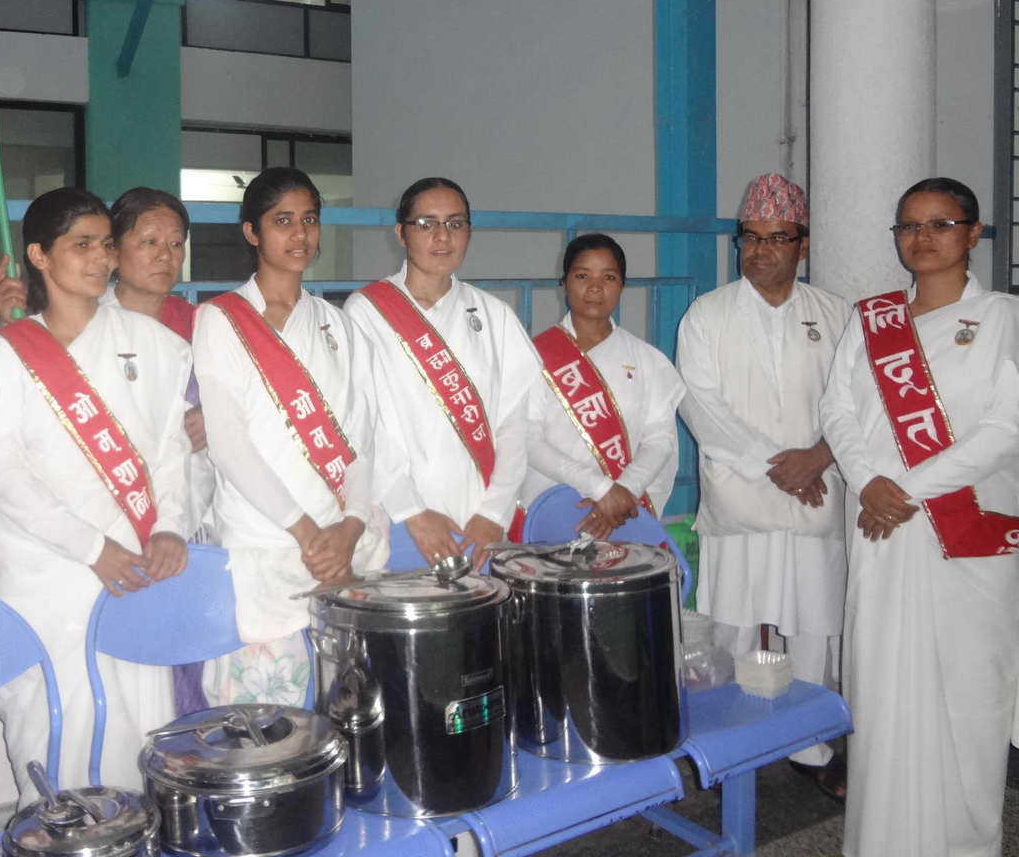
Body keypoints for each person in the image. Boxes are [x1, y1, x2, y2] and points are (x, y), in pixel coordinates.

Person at [821, 177, 1019, 857]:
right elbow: (836, 411)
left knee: (968, 693)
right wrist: (867, 479)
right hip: (880, 529)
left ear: (973, 233)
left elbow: (1005, 429)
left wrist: (901, 490)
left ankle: (965, 843)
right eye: (909, 226)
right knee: (883, 688)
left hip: (963, 534)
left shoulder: (1004, 319)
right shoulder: (870, 318)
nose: (923, 238)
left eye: (940, 224)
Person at [0, 188, 192, 797]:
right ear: (39, 257)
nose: (99, 259)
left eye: (105, 245)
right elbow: (6, 472)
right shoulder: (8, 354)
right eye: (82, 245)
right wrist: (90, 548)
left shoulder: (154, 345)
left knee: (142, 737)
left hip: (135, 568)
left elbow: (168, 450)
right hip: (44, 577)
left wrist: (171, 526)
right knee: (52, 733)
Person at [193, 166, 389, 706]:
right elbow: (229, 445)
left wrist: (349, 526)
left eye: (309, 220)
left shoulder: (339, 323)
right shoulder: (219, 320)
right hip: (266, 542)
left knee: (348, 710)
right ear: (251, 232)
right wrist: (307, 535)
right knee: (267, 728)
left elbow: (362, 435)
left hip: (340, 545)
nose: (300, 234)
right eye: (283, 221)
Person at [676, 174, 846, 793]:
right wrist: (784, 466)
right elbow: (702, 406)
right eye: (750, 237)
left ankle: (812, 741)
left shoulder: (835, 314)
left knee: (814, 623)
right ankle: (723, 744)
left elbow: (853, 405)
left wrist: (820, 456)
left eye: (777, 238)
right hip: (741, 495)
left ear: (802, 243)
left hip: (817, 495)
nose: (761, 250)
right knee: (730, 625)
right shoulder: (708, 314)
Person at [0, 185, 212, 537]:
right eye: (149, 242)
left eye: (175, 243)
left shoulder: (205, 326)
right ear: (118, 251)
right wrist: (8, 322)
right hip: (70, 526)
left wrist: (215, 415)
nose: (165, 257)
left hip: (179, 511)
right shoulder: (60, 324)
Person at [344, 177, 538, 567]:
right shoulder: (366, 312)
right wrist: (412, 513)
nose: (442, 236)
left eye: (455, 224)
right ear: (401, 233)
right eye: (426, 223)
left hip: (480, 526)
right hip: (398, 520)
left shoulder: (494, 315)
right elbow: (361, 424)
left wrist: (494, 513)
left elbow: (519, 421)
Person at [526, 233, 685, 538]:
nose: (595, 287)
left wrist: (623, 491)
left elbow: (659, 439)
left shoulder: (648, 361)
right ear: (564, 283)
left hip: (624, 513)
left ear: (622, 285)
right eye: (582, 275)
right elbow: (527, 440)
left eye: (609, 277)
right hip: (551, 511)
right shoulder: (532, 356)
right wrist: (600, 489)